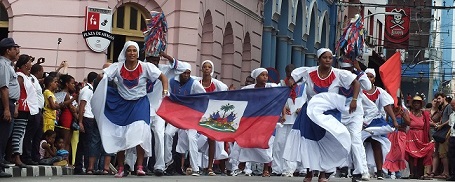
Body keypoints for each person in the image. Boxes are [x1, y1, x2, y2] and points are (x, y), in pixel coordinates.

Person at [91, 41, 168, 178]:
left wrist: (165, 90)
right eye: (129, 50)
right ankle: (121, 168)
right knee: (121, 135)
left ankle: (139, 166)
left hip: (140, 103)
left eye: (134, 51)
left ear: (138, 53)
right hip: (122, 104)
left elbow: (163, 77)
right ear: (125, 53)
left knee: (139, 133)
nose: (132, 53)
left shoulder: (146, 67)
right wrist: (101, 77)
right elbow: (103, 75)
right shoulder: (117, 67)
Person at [283, 48, 360, 182]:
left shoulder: (338, 74)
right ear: (318, 59)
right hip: (310, 112)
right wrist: (291, 81)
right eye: (325, 58)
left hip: (329, 112)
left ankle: (323, 173)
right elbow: (293, 77)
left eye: (330, 58)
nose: (328, 60)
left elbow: (356, 83)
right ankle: (309, 172)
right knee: (309, 141)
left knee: (327, 141)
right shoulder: (309, 72)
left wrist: (354, 100)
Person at [229, 68, 277, 177]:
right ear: (256, 77)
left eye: (266, 75)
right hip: (252, 120)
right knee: (246, 142)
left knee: (266, 143)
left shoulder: (271, 87)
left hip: (266, 120)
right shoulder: (248, 89)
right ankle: (241, 163)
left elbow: (281, 91)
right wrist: (231, 93)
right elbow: (239, 98)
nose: (265, 77)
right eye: (262, 75)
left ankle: (266, 169)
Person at [164, 61, 205, 176]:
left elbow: (204, 95)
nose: (186, 75)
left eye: (188, 73)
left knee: (192, 138)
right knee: (167, 134)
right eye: (184, 73)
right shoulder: (172, 81)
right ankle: (168, 162)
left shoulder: (194, 83)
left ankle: (195, 168)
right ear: (179, 72)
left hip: (190, 116)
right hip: (176, 115)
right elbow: (169, 97)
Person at [144, 51, 182, 176]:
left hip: (159, 110)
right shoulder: (141, 68)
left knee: (160, 135)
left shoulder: (164, 70)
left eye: (156, 59)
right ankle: (132, 164)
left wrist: (166, 56)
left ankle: (159, 166)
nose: (154, 62)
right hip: (142, 108)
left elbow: (181, 68)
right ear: (146, 58)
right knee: (139, 136)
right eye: (151, 59)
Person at [361, 68, 397, 179]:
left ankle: (380, 170)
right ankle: (359, 169)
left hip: (376, 121)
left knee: (376, 143)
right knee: (358, 144)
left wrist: (394, 120)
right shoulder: (359, 90)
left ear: (374, 79)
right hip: (361, 120)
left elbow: (387, 106)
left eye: (371, 76)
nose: (368, 78)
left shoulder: (379, 91)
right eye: (366, 76)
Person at [194, 60, 229, 176]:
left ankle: (210, 167)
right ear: (202, 69)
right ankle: (192, 165)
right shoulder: (197, 82)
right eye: (205, 67)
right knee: (193, 139)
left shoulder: (216, 84)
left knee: (211, 139)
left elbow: (225, 91)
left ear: (211, 70)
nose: (207, 69)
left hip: (210, 114)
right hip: (198, 113)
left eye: (209, 67)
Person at [273, 64, 303, 177]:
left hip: (296, 119)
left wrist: (301, 108)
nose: (291, 79)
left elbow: (307, 99)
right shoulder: (281, 84)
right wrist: (283, 111)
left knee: (292, 145)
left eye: (293, 77)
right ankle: (277, 168)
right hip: (283, 119)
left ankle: (289, 169)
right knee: (279, 144)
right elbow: (279, 100)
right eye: (289, 76)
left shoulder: (302, 86)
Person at [78, 72, 111, 174]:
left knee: (94, 143)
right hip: (92, 118)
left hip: (98, 117)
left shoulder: (96, 88)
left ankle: (95, 167)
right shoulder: (89, 90)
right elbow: (82, 106)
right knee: (92, 143)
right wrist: (80, 121)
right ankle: (91, 167)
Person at [11, 54, 39, 168]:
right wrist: (16, 106)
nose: (31, 64)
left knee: (21, 133)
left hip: (27, 108)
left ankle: (17, 155)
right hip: (21, 107)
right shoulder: (20, 76)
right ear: (24, 64)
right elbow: (17, 92)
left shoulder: (26, 76)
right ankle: (16, 156)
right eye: (29, 62)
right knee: (18, 134)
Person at [0, 38, 20, 178]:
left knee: (5, 136)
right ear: (8, 50)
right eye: (14, 48)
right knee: (2, 136)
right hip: (5, 104)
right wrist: (7, 109)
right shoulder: (3, 65)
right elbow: (4, 88)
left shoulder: (8, 64)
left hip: (10, 103)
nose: (16, 50)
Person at [406, 95, 434, 179]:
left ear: (421, 104)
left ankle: (419, 173)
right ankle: (412, 173)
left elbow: (427, 126)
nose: (416, 104)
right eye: (415, 103)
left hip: (421, 135)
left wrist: (430, 138)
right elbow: (406, 123)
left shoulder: (425, 114)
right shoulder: (408, 113)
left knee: (421, 153)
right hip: (411, 135)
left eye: (418, 103)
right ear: (412, 104)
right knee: (411, 153)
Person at [22, 63, 45, 165]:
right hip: (33, 109)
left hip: (39, 110)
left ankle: (35, 156)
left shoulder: (34, 79)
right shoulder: (30, 78)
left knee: (38, 135)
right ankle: (27, 156)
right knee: (30, 134)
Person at [54, 74, 78, 159]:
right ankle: (65, 159)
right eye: (72, 83)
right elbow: (72, 108)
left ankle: (66, 159)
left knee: (66, 141)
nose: (74, 85)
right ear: (67, 84)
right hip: (66, 118)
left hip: (67, 118)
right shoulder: (66, 94)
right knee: (66, 141)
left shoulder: (61, 93)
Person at [429, 93, 451, 179]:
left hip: (446, 132)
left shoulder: (448, 107)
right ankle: (443, 172)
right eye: (437, 99)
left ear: (444, 98)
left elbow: (450, 119)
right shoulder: (442, 108)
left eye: (439, 98)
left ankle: (446, 172)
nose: (438, 100)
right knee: (439, 153)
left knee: (443, 153)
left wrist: (441, 125)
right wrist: (439, 124)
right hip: (442, 131)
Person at [447, 99, 455, 181]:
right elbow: (451, 127)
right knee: (451, 156)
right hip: (452, 137)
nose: (452, 107)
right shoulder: (451, 115)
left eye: (453, 105)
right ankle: (453, 174)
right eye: (451, 105)